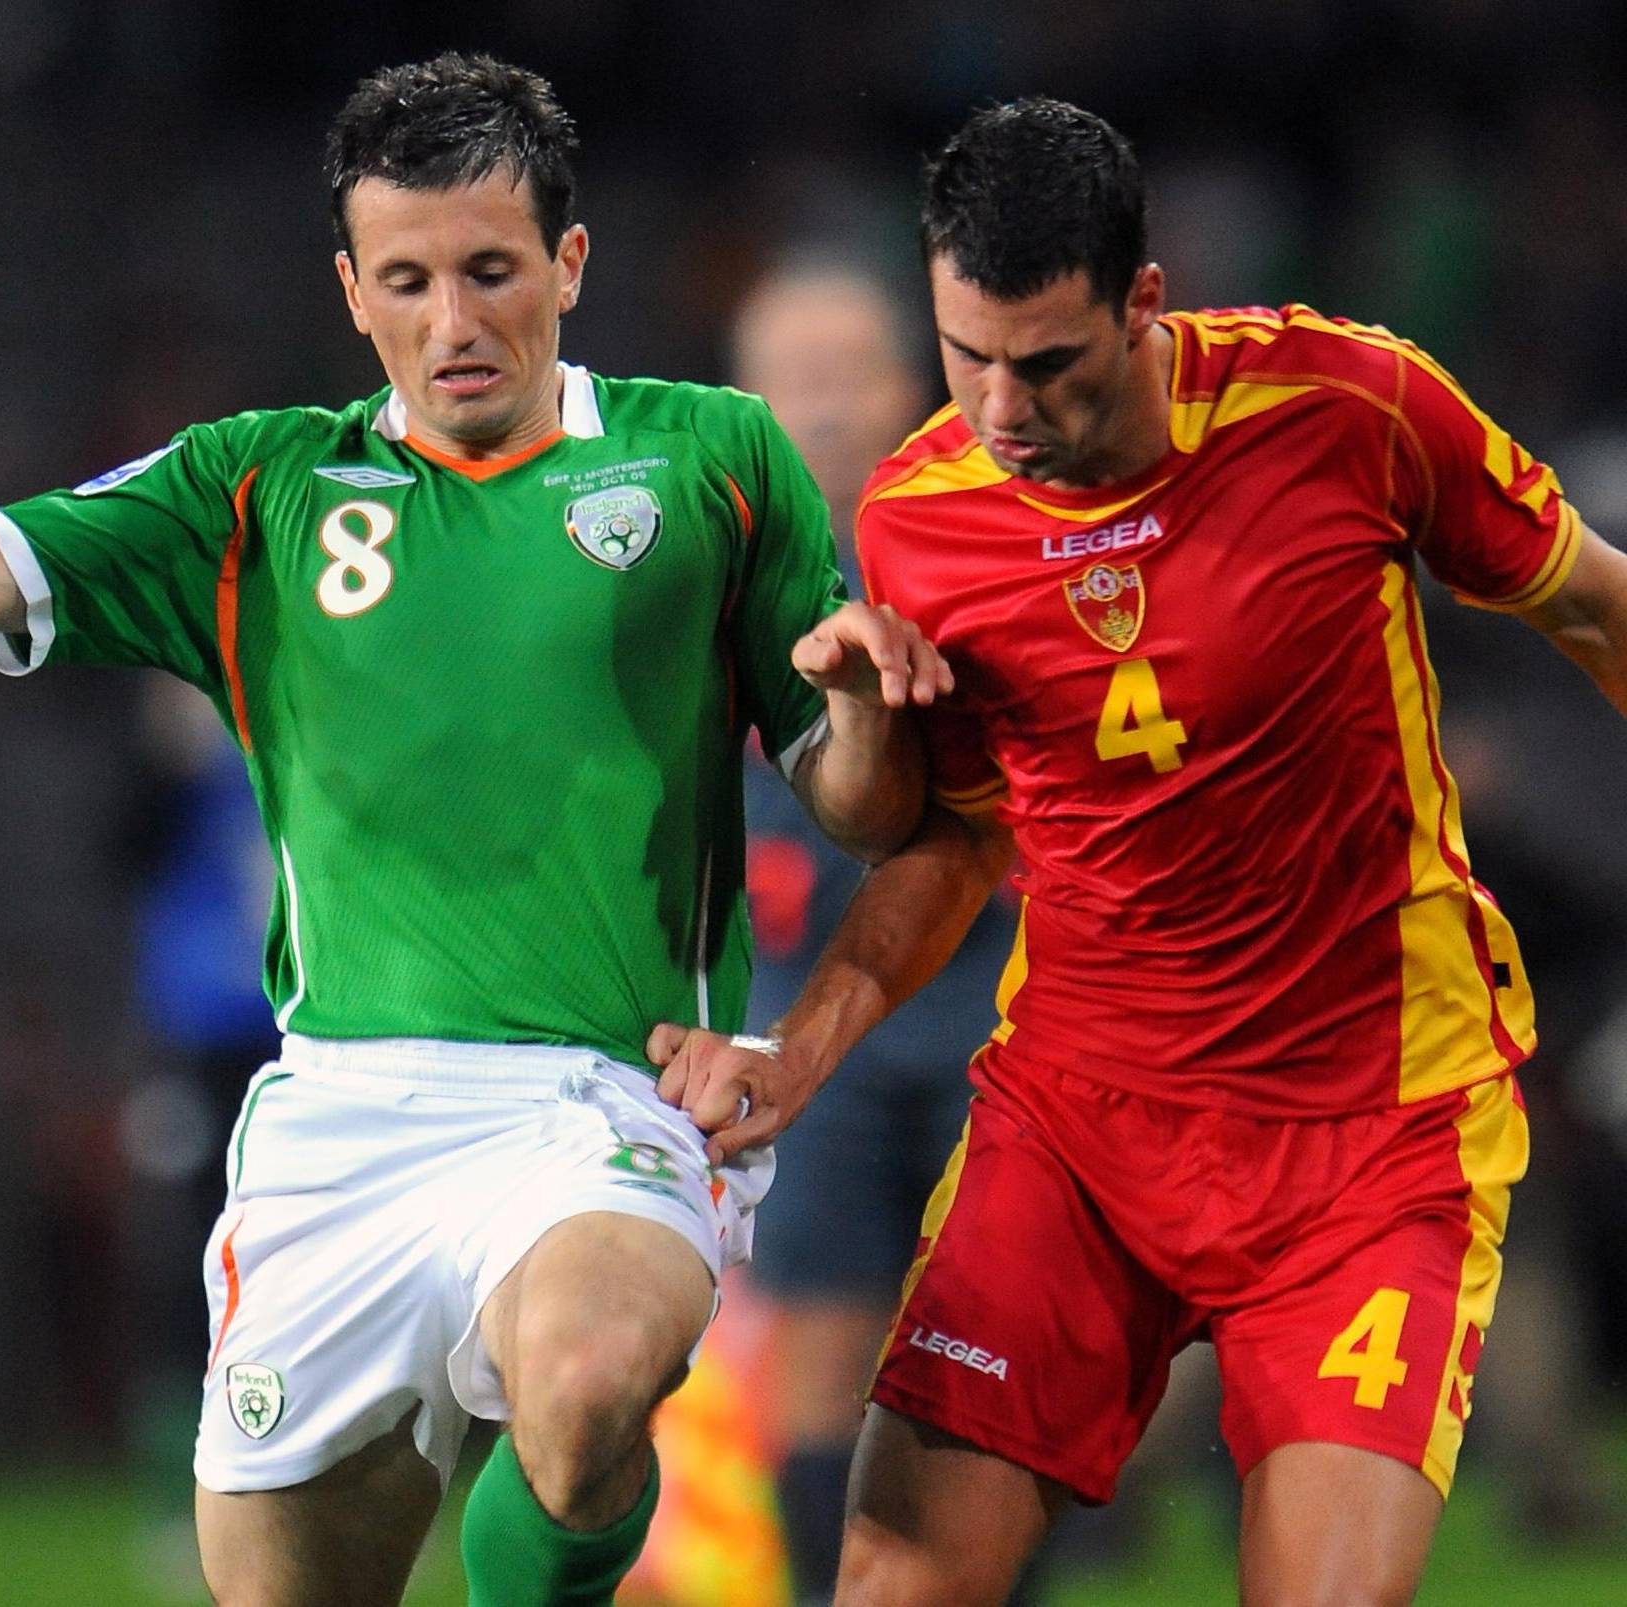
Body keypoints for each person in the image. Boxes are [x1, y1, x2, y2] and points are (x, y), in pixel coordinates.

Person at [0, 53, 951, 1607]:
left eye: (492, 272)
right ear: (353, 288)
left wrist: (869, 718)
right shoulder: (260, 490)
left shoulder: (708, 455)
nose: (454, 322)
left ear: (567, 264)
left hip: (606, 1092)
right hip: (342, 1124)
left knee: (584, 1388)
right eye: (411, 280)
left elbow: (865, 805)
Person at [648, 96, 1627, 1606]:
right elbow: (958, 841)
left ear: (1145, 302)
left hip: (1372, 1121)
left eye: (1047, 364)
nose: (1002, 411)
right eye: (967, 358)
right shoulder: (923, 519)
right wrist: (803, 1045)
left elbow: (1589, 606)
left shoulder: (1348, 408)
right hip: (1086, 1120)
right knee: (892, 1582)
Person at [728, 262, 1016, 1606]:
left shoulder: (991, 534)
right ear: (747, 401)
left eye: (854, 375)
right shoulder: (713, 570)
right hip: (805, 1009)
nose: (830, 407)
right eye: (801, 380)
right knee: (820, 1345)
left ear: (916, 389)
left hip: (998, 999)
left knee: (1003, 1355)